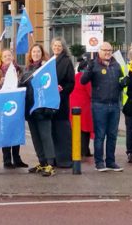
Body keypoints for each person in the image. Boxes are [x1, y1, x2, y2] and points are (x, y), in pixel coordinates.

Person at [80, 41, 127, 172]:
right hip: (99, 105)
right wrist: (89, 69)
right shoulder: (94, 65)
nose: (107, 52)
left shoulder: (116, 65)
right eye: (105, 50)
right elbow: (83, 81)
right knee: (100, 135)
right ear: (99, 51)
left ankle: (111, 161)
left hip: (114, 105)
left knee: (112, 135)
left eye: (109, 50)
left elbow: (120, 83)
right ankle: (99, 162)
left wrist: (123, 83)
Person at [21, 44, 56, 176]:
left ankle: (50, 164)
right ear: (30, 54)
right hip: (31, 109)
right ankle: (42, 162)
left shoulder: (46, 68)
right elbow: (22, 85)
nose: (35, 54)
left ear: (42, 53)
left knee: (46, 137)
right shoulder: (26, 69)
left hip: (43, 108)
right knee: (36, 138)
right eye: (33, 51)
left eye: (38, 51)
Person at [0, 48, 28, 168]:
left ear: (13, 57)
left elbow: (24, 84)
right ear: (2, 59)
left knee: (16, 131)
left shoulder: (19, 70)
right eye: (5, 56)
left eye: (9, 55)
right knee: (6, 132)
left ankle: (17, 158)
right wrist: (1, 83)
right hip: (5, 107)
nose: (8, 57)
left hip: (17, 105)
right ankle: (7, 159)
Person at [50, 37, 75, 168]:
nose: (57, 48)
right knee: (52, 131)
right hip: (50, 102)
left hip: (62, 101)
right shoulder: (50, 60)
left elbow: (71, 82)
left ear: (63, 47)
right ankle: (53, 158)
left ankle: (64, 159)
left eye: (59, 46)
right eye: (55, 45)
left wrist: (63, 90)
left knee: (62, 131)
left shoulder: (66, 61)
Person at [70, 57, 93, 157]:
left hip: (73, 106)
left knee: (76, 130)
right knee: (85, 130)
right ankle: (84, 151)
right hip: (84, 107)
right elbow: (91, 93)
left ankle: (77, 150)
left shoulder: (75, 76)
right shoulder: (86, 78)